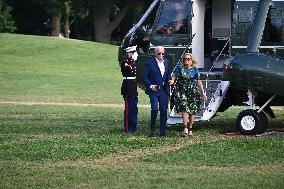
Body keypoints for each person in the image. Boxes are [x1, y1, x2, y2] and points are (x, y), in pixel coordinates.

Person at [168, 53, 207, 137]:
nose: (186, 60)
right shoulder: (180, 68)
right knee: (185, 109)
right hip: (182, 91)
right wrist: (172, 81)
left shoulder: (195, 69)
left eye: (188, 59)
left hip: (193, 91)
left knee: (192, 111)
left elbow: (199, 81)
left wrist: (203, 92)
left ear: (192, 60)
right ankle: (185, 128)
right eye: (185, 59)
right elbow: (174, 77)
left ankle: (190, 128)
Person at [143, 46, 171, 137]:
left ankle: (162, 131)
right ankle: (152, 129)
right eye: (159, 53)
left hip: (164, 90)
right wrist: (150, 85)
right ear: (155, 53)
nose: (161, 55)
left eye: (163, 53)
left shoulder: (166, 62)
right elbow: (144, 76)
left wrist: (170, 80)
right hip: (154, 90)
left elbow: (168, 75)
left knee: (163, 110)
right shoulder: (150, 63)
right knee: (154, 109)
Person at [120, 45, 139, 134]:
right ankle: (128, 128)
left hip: (134, 88)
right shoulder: (125, 62)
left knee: (134, 108)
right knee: (129, 109)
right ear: (128, 53)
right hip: (128, 88)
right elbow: (127, 68)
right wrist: (133, 62)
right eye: (132, 53)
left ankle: (133, 126)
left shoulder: (134, 62)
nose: (133, 54)